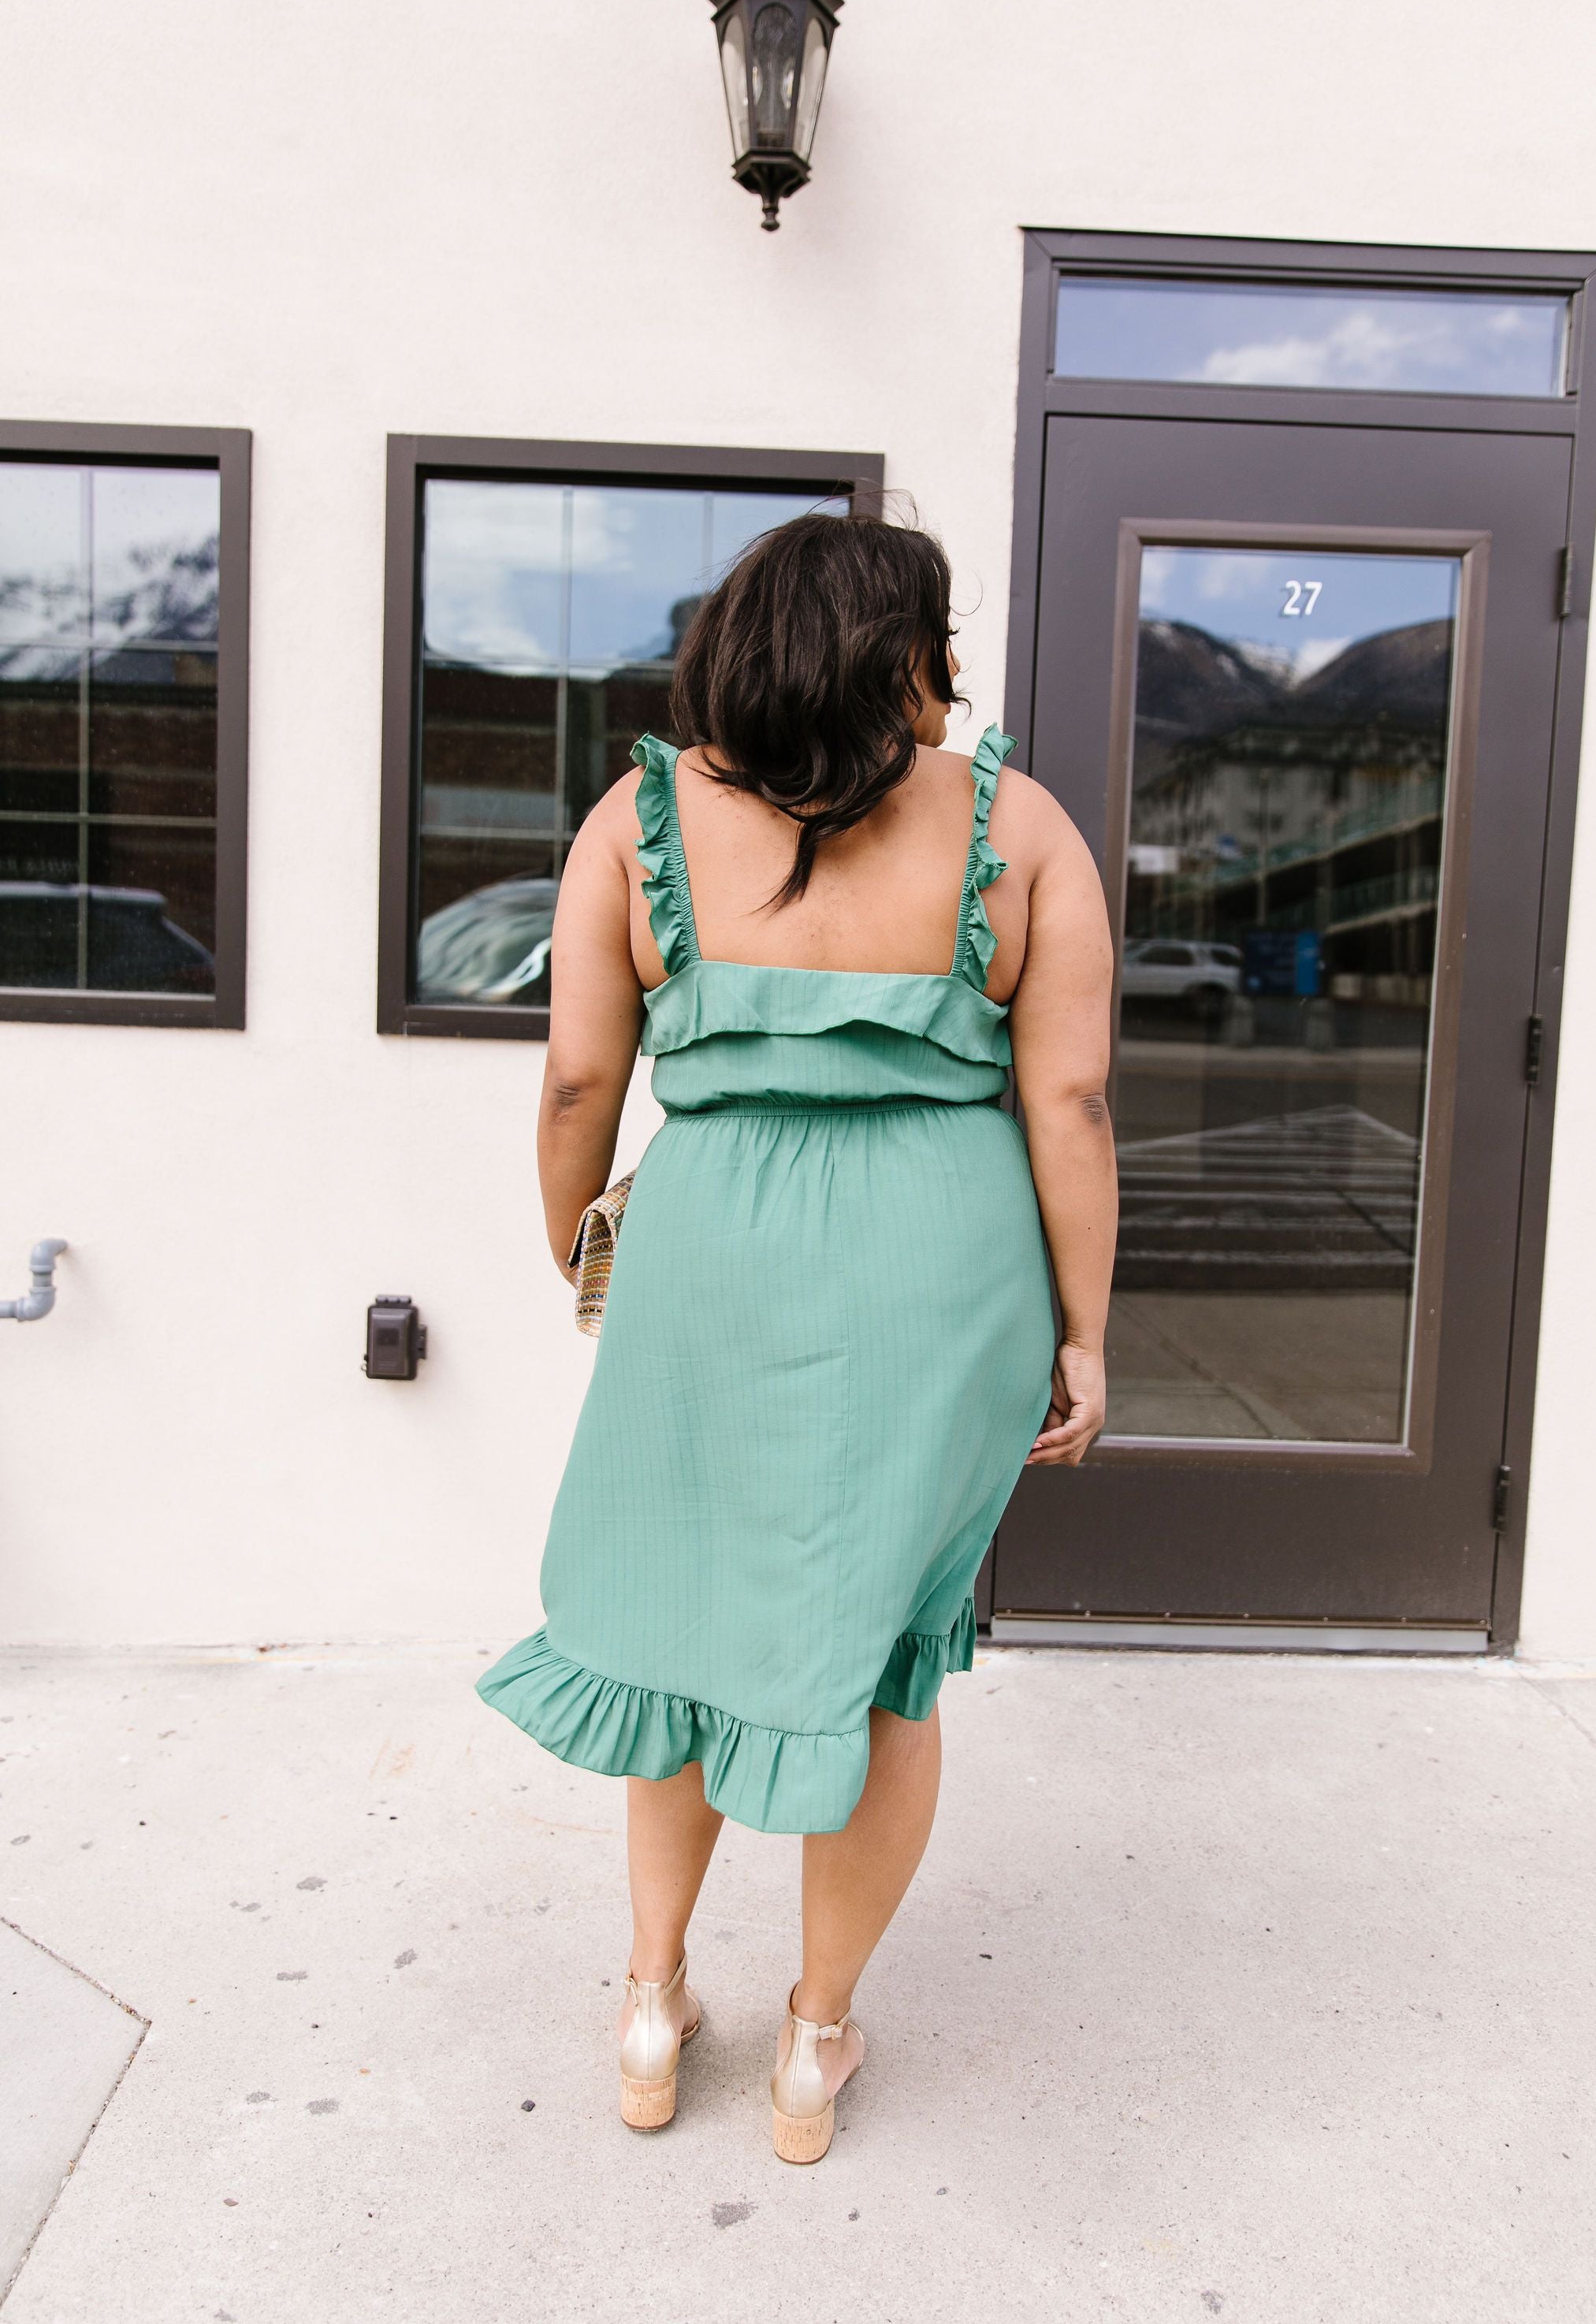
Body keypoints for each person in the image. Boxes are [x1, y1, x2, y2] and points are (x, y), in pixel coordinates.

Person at [478, 510, 1117, 2162]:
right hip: (945, 1273)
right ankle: (814, 2045)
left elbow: (578, 1079)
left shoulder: (636, 819)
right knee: (888, 1657)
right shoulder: (1019, 824)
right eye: (938, 639)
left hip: (708, 1254)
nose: (951, 669)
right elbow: (1068, 1103)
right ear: (897, 655)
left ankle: (650, 2001)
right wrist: (1086, 1332)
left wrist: (580, 1246)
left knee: (682, 1627)